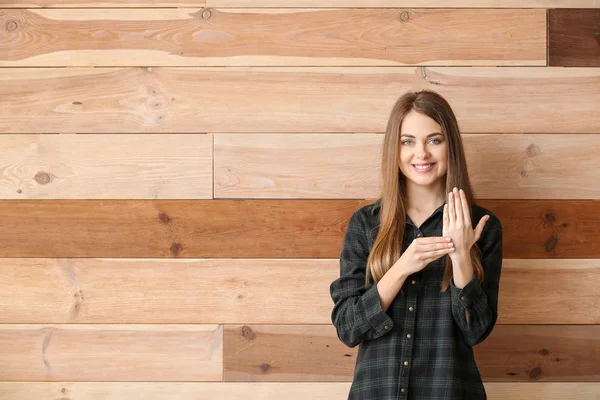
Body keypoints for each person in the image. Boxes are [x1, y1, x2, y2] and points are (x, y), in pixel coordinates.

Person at [329, 89, 503, 400]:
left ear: (451, 146)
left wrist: (462, 255)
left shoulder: (481, 226)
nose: (421, 154)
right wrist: (400, 268)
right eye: (407, 141)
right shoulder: (366, 224)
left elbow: (476, 331)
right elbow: (348, 328)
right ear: (394, 151)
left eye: (434, 140)